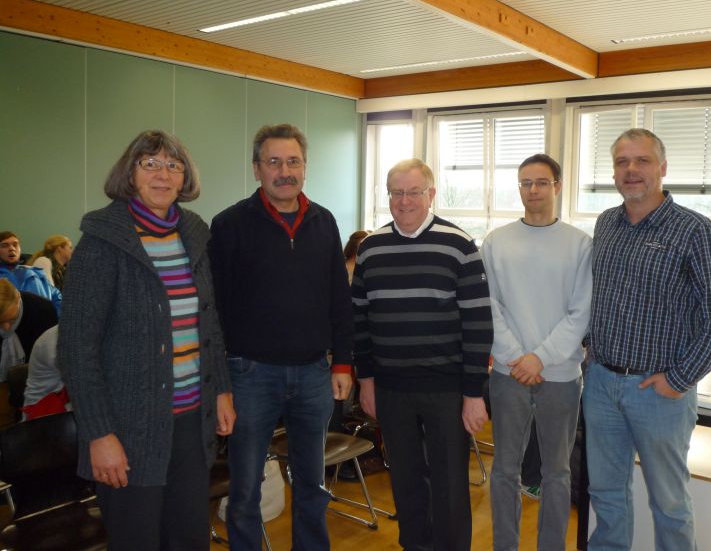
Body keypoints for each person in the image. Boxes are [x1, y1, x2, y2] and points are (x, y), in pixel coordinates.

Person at [57, 130, 236, 550]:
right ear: (130, 173)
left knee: (190, 538)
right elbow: (77, 349)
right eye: (149, 164)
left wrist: (222, 390)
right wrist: (99, 434)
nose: (163, 174)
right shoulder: (102, 241)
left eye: (173, 165)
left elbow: (208, 324)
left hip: (192, 422)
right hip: (128, 428)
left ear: (184, 177)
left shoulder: (194, 233)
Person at [584, 128, 711, 551]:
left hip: (658, 392)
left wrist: (679, 377)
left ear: (663, 168)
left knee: (669, 502)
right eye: (622, 162)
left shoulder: (696, 231)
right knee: (606, 496)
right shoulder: (606, 224)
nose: (631, 170)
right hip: (600, 384)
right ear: (614, 173)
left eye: (642, 161)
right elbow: (600, 297)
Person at [209, 123, 353, 551]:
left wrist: (342, 361)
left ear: (305, 168)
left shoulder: (324, 222)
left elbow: (338, 299)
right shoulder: (230, 224)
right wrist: (221, 384)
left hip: (314, 374)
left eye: (293, 162)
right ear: (257, 169)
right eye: (274, 162)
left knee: (313, 486)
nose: (284, 171)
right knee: (246, 490)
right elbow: (213, 311)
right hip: (250, 375)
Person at [352, 158, 493, 551]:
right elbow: (359, 321)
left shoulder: (459, 245)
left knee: (449, 485)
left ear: (431, 194)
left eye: (414, 191)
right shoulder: (370, 249)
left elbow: (479, 324)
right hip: (391, 388)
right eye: (397, 192)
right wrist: (366, 381)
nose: (405, 201)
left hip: (446, 389)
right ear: (388, 196)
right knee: (406, 481)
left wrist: (474, 393)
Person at [481, 154, 591, 551]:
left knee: (557, 473)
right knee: (505, 470)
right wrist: (517, 356)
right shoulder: (496, 242)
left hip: (560, 376)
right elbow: (488, 305)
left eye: (541, 182)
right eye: (526, 183)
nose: (533, 190)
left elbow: (581, 312)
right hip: (508, 374)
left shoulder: (579, 244)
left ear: (557, 186)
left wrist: (540, 358)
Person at [0, 279, 59, 424]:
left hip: (37, 380)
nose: (7, 328)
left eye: (12, 319)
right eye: (0, 322)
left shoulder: (42, 311)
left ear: (18, 300)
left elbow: (48, 371)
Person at [0, 231, 62, 314]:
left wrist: (53, 319)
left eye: (15, 244)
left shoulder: (36, 273)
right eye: (5, 245)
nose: (12, 248)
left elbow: (57, 297)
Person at [22, 325, 70, 420]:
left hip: (61, 400)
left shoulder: (66, 332)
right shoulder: (55, 342)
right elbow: (81, 383)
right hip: (41, 409)